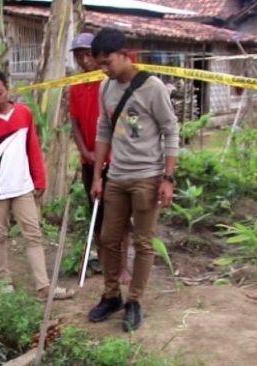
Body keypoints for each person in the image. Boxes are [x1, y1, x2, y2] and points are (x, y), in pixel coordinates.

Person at [87, 28, 179, 331]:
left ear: (127, 55)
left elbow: (171, 131)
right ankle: (111, 295)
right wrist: (98, 175)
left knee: (142, 243)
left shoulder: (152, 88)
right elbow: (103, 131)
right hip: (116, 177)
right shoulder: (105, 89)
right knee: (109, 239)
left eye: (108, 62)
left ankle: (134, 301)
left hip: (147, 178)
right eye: (99, 63)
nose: (104, 69)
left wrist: (168, 178)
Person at [0, 69, 75, 300]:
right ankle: (4, 282)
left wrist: (40, 179)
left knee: (33, 234)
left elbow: (33, 148)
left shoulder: (24, 114)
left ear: (8, 89)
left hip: (23, 188)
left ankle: (44, 287)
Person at [69, 33, 133, 284]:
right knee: (97, 215)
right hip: (89, 161)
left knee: (121, 215)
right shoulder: (75, 86)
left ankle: (124, 266)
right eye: (78, 55)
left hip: (116, 160)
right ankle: (108, 266)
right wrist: (86, 152)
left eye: (87, 54)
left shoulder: (109, 83)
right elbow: (74, 122)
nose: (83, 60)